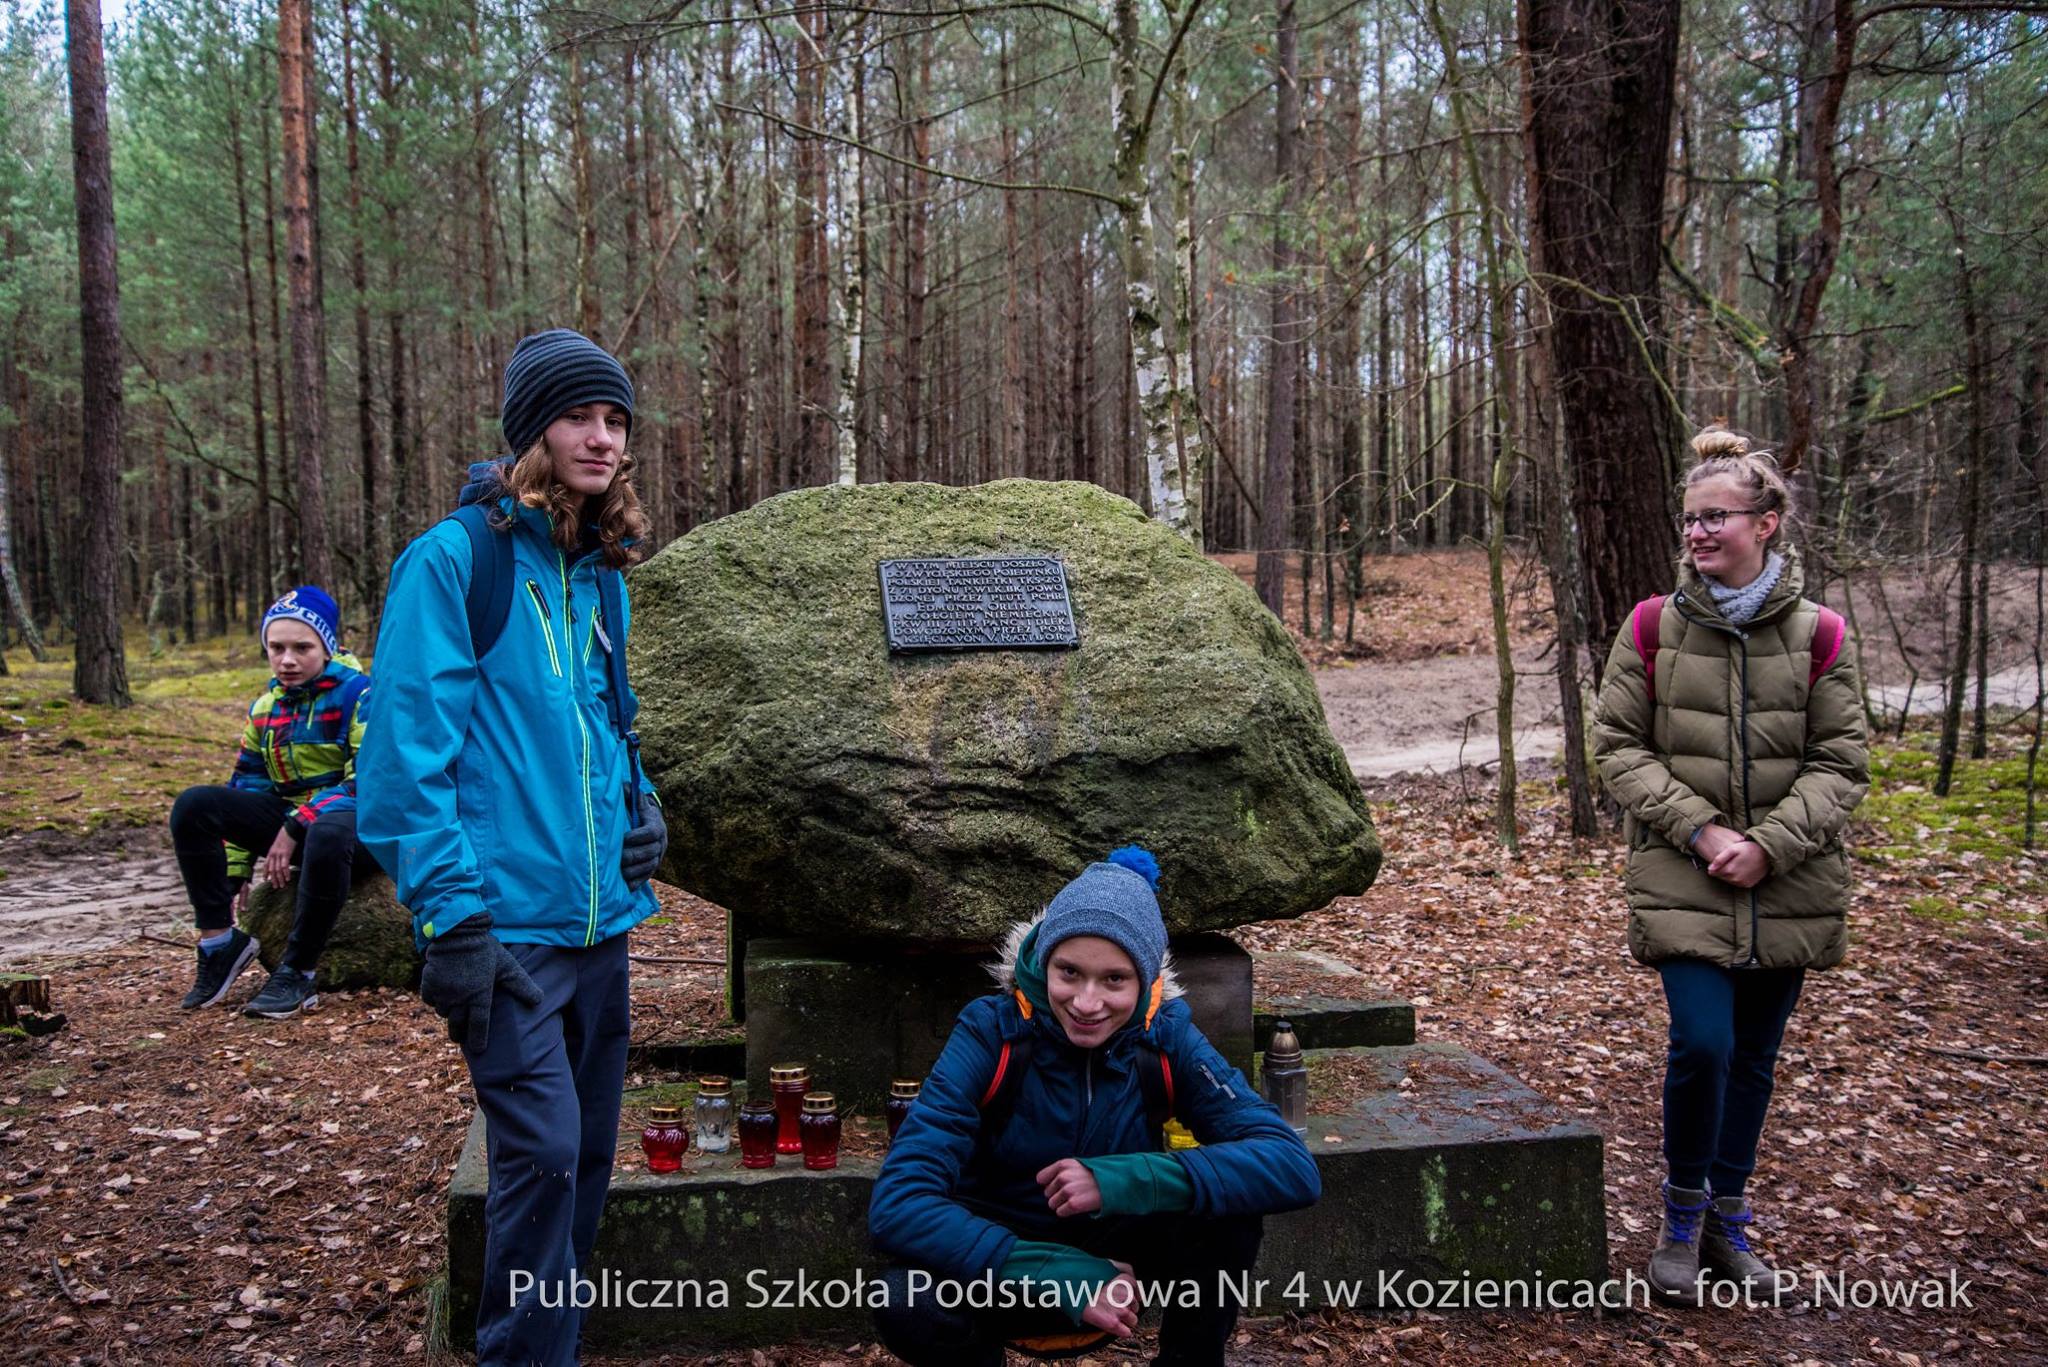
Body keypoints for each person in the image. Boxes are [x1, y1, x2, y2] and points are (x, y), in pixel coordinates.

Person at [357, 328, 667, 1366]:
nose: (602, 436)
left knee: (584, 1158)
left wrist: (643, 804)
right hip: (503, 930)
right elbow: (403, 761)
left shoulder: (601, 570)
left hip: (601, 925)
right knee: (541, 1152)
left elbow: (604, 722)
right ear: (532, 430)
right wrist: (452, 918)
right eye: (579, 415)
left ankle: (547, 1344)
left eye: (616, 419)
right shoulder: (456, 561)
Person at [1592, 424, 1869, 1305]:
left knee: (1753, 1056)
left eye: (1716, 517)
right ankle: (1680, 1214)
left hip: (1791, 883)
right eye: (1690, 519)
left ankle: (1726, 1218)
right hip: (1684, 877)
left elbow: (1841, 763)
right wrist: (1705, 832)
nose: (1699, 532)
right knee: (1704, 1042)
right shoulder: (1651, 627)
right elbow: (1617, 747)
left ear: (1767, 522)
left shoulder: (1823, 634)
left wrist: (1771, 845)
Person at [867, 846, 1321, 1367]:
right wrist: (1050, 1270)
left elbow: (1291, 1165)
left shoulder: (1165, 1037)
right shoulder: (990, 1032)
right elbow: (898, 1202)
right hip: (1002, 1269)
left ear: (1145, 980)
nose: (1086, 1003)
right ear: (1044, 962)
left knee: (1231, 1206)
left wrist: (1124, 1180)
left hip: (1123, 1265)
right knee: (901, 1297)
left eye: (1114, 980)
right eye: (1069, 972)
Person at [169, 585, 374, 1019]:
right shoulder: (265, 708)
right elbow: (250, 786)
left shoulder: (360, 695)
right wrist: (236, 868)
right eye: (276, 648)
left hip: (361, 832)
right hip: (298, 828)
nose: (287, 660)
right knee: (195, 806)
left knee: (327, 830)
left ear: (328, 648)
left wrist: (298, 822)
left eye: (302, 648)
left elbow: (371, 779)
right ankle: (220, 944)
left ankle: (298, 972)